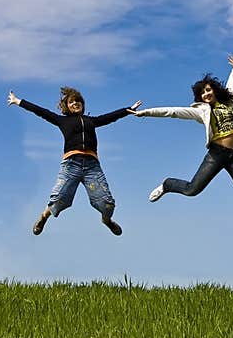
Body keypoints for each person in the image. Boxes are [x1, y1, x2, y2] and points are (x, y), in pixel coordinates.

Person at [131, 54, 233, 235]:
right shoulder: (202, 111)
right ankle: (167, 184)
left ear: (215, 89)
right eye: (202, 93)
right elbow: (173, 111)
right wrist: (146, 113)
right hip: (217, 154)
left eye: (208, 90)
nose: (206, 94)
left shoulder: (229, 100)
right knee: (192, 190)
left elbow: (232, 83)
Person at [8, 87, 141, 236]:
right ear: (67, 106)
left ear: (83, 105)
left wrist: (128, 109)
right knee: (59, 198)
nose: (75, 103)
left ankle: (107, 221)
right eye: (71, 102)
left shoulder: (91, 121)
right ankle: (43, 217)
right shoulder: (62, 121)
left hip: (92, 167)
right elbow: (40, 111)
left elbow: (110, 117)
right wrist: (18, 101)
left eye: (78, 101)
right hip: (71, 164)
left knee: (107, 203)